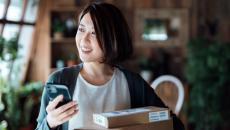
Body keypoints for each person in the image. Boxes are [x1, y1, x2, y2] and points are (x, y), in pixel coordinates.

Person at [36, 2, 184, 130]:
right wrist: (50, 123)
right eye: (81, 29)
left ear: (113, 39)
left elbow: (175, 125)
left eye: (94, 33)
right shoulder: (59, 80)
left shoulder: (133, 83)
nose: (84, 39)